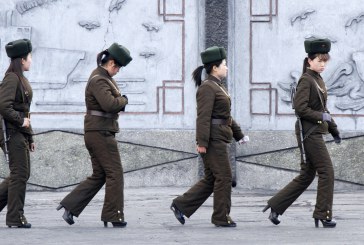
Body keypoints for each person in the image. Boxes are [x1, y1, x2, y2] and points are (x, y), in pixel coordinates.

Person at [262, 38, 341, 228]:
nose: (323, 64)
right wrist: (322, 117)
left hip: (314, 132)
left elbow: (324, 109)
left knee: (307, 175)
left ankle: (276, 206)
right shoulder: (306, 80)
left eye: (325, 60)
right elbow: (300, 108)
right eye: (319, 60)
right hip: (309, 134)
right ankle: (323, 214)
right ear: (309, 61)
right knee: (327, 171)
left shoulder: (317, 79)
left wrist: (334, 129)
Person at [170, 46, 248, 227]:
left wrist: (239, 135)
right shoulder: (207, 88)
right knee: (225, 177)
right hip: (213, 140)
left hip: (220, 137)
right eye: (224, 64)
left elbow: (225, 116)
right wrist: (202, 142)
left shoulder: (217, 86)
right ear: (215, 67)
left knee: (213, 178)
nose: (227, 68)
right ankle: (221, 217)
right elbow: (203, 117)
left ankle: (181, 204)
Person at [56, 43, 131, 228]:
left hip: (98, 131)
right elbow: (110, 104)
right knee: (115, 173)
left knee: (100, 174)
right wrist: (124, 100)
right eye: (118, 67)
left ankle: (70, 206)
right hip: (100, 132)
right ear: (111, 62)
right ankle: (114, 215)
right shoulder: (99, 79)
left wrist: (119, 101)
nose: (118, 71)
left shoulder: (102, 77)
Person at [0, 39, 34, 228]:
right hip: (11, 132)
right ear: (22, 59)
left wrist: (30, 136)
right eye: (29, 57)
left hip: (19, 132)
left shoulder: (20, 78)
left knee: (21, 173)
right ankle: (15, 217)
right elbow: (3, 106)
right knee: (19, 173)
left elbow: (24, 109)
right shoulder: (12, 78)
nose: (31, 60)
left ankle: (13, 214)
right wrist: (21, 122)